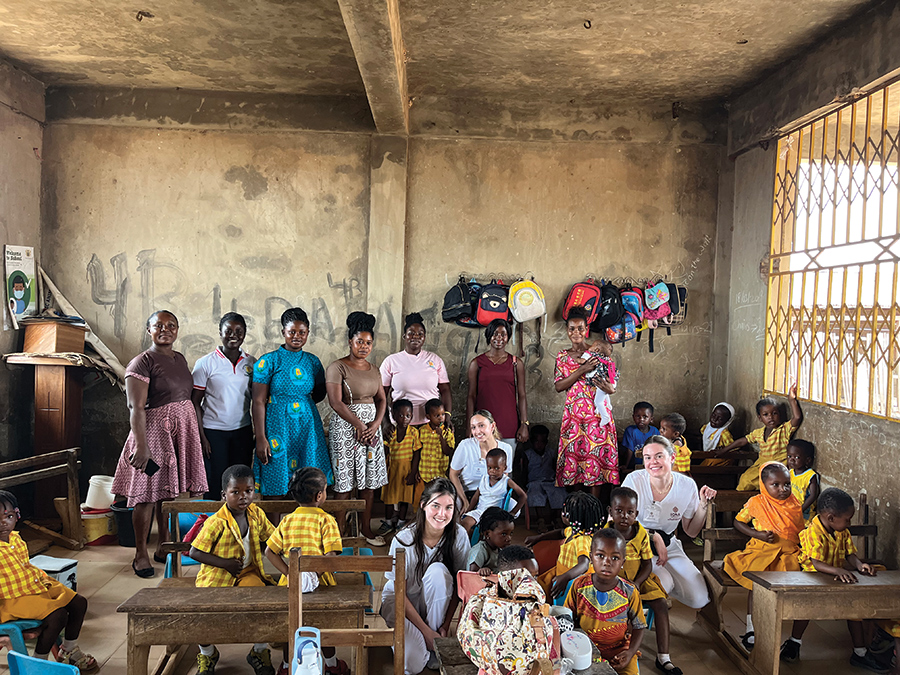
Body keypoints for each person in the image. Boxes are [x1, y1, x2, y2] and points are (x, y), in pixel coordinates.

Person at [112, 310, 207, 577]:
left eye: (171, 325)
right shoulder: (141, 362)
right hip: (153, 436)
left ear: (177, 330)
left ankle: (164, 547)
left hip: (179, 434)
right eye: (158, 325)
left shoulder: (179, 358)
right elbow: (136, 407)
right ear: (148, 330)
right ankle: (140, 553)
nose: (165, 329)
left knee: (168, 493)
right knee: (145, 494)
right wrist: (142, 447)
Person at [780, 488, 883, 671]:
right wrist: (838, 570)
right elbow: (817, 563)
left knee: (854, 609)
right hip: (812, 577)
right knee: (806, 610)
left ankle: (860, 653)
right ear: (830, 518)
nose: (849, 522)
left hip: (835, 576)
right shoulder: (814, 531)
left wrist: (860, 565)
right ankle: (794, 643)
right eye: (847, 519)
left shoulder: (841, 530)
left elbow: (850, 553)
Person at [188, 465, 276, 675]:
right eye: (235, 492)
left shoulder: (256, 514)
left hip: (248, 572)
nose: (243, 496)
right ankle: (207, 653)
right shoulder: (216, 522)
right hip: (218, 574)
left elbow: (273, 538)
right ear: (223, 495)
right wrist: (225, 563)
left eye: (249, 490)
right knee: (203, 611)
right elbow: (194, 552)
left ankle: (259, 651)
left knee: (261, 604)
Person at [382, 478, 470, 675]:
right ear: (423, 505)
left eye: (449, 507)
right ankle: (425, 639)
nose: (442, 514)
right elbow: (399, 592)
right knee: (412, 665)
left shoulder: (459, 535)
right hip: (401, 603)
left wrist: (444, 627)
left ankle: (433, 644)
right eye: (435, 506)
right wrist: (425, 631)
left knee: (438, 572)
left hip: (435, 609)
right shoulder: (403, 539)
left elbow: (459, 586)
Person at [0, 490, 96, 670]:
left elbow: (25, 567)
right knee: (57, 616)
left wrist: (44, 581)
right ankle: (39, 663)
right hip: (11, 600)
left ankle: (68, 651)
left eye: (8, 516)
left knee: (79, 602)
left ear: (17, 515)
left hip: (33, 587)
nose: (3, 523)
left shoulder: (16, 538)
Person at [264, 467, 343, 675]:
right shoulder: (326, 520)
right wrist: (312, 576)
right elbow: (332, 556)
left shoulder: (287, 520)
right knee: (323, 625)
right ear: (320, 495)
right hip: (321, 587)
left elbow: (269, 552)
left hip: (289, 586)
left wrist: (290, 573)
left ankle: (287, 666)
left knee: (291, 626)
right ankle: (333, 665)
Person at [622, 436, 716, 610]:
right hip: (637, 545)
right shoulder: (634, 481)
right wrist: (652, 535)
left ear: (672, 458)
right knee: (664, 582)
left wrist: (703, 505)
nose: (653, 462)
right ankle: (653, 597)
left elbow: (691, 531)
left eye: (659, 456)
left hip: (669, 545)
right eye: (648, 457)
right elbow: (619, 525)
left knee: (699, 599)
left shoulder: (687, 485)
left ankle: (664, 589)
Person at [722, 462, 804, 651]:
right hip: (761, 550)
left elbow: (798, 532)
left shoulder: (794, 503)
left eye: (787, 484)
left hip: (788, 553)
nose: (783, 489)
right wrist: (756, 534)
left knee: (792, 585)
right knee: (756, 585)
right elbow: (738, 522)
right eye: (775, 485)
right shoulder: (756, 502)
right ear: (763, 484)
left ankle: (783, 632)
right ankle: (751, 628)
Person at [252, 307, 330, 497]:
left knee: (309, 482)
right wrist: (261, 438)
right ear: (283, 333)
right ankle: (275, 527)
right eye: (292, 332)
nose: (297, 336)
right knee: (275, 478)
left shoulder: (313, 362)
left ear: (307, 333)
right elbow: (258, 400)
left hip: (306, 427)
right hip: (277, 426)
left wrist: (303, 404)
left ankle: (304, 523)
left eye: (302, 332)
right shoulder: (268, 361)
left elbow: (320, 392)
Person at [326, 311, 388, 546]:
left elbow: (382, 400)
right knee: (344, 482)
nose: (364, 346)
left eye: (368, 342)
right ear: (350, 342)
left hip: (371, 432)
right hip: (346, 430)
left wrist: (374, 426)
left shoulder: (374, 369)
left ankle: (365, 529)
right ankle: (339, 533)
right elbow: (336, 402)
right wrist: (360, 425)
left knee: (369, 482)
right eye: (359, 341)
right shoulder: (337, 367)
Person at [605, 487, 675, 675]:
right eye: (619, 511)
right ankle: (623, 652)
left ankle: (664, 658)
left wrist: (636, 583)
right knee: (621, 608)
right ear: (610, 511)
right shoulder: (605, 534)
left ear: (636, 513)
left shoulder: (641, 533)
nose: (624, 516)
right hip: (614, 582)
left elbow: (647, 565)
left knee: (660, 604)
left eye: (630, 512)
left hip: (639, 580)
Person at [554, 306, 618, 499]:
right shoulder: (563, 357)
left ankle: (594, 509)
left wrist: (610, 389)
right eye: (572, 328)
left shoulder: (599, 352)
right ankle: (577, 508)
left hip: (597, 417)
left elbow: (611, 381)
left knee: (596, 460)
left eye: (580, 328)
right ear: (567, 331)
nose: (576, 332)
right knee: (575, 461)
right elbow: (558, 386)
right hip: (574, 418)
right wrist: (582, 370)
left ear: (586, 329)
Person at [192, 312, 256, 499]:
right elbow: (195, 401)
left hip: (242, 431)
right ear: (220, 332)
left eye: (239, 331)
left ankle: (237, 524)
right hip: (213, 433)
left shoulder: (251, 363)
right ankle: (211, 523)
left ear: (244, 334)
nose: (233, 335)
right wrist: (202, 436)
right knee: (215, 482)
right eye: (228, 331)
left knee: (240, 480)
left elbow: (257, 399)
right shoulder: (205, 363)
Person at [565, 530, 645, 675]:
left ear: (623, 562)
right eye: (600, 555)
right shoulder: (579, 586)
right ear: (591, 558)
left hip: (619, 651)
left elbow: (639, 626)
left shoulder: (630, 591)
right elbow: (568, 620)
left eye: (614, 558)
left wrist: (630, 653)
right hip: (584, 649)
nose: (607, 562)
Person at [465, 318, 529, 464]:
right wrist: (470, 426)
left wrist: (524, 424)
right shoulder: (477, 363)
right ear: (489, 336)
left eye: (503, 334)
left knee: (505, 468)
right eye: (495, 334)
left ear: (508, 337)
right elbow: (471, 396)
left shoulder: (515, 363)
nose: (499, 338)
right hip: (482, 425)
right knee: (481, 467)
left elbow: (522, 395)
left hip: (508, 424)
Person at [716, 383, 803, 491]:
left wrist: (791, 400)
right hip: (761, 465)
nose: (771, 417)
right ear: (760, 418)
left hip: (776, 468)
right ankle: (741, 502)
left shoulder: (783, 430)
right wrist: (724, 450)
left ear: (780, 415)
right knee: (745, 479)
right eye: (766, 415)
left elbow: (797, 417)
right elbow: (743, 441)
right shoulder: (759, 433)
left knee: (765, 484)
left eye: (774, 413)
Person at [528, 492, 605, 601]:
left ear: (571, 517)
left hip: (573, 581)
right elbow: (560, 533)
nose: (562, 513)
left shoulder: (582, 539)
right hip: (561, 572)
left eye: (565, 512)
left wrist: (565, 578)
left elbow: (584, 564)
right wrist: (539, 538)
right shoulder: (573, 531)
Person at [381, 312, 452, 427]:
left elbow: (445, 390)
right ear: (404, 336)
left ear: (424, 337)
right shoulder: (391, 361)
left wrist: (447, 416)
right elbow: (381, 395)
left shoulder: (435, 360)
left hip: (431, 425)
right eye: (411, 333)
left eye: (420, 334)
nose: (416, 336)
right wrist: (385, 422)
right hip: (400, 425)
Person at [449, 411, 514, 508]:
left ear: (492, 426)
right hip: (466, 493)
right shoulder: (465, 445)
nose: (477, 431)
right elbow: (453, 474)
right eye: (473, 427)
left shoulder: (506, 448)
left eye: (481, 425)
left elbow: (504, 475)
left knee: (513, 508)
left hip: (490, 494)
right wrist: (464, 501)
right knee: (455, 507)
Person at [460, 448, 526, 535]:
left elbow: (523, 496)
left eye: (497, 468)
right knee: (464, 524)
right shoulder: (484, 479)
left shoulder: (506, 481)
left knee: (487, 532)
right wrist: (468, 510)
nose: (492, 471)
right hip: (480, 511)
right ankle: (467, 547)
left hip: (494, 516)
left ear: (504, 468)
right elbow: (476, 497)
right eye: (489, 468)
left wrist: (512, 513)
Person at [409, 398, 456, 513]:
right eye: (436, 415)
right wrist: (416, 471)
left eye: (442, 414)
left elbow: (447, 452)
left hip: (439, 474)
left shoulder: (447, 431)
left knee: (438, 499)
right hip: (424, 473)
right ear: (428, 416)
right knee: (421, 499)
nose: (441, 418)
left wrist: (441, 437)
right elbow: (418, 451)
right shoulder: (422, 431)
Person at [382, 399, 422, 532]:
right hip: (391, 469)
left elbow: (417, 454)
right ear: (393, 415)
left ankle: (400, 521)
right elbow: (385, 451)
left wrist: (413, 472)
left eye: (408, 416)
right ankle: (388, 522)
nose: (404, 419)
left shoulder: (413, 433)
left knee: (404, 498)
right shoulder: (390, 432)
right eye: (400, 415)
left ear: (412, 416)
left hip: (406, 470)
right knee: (389, 497)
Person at [519, 424, 565, 531]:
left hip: (550, 481)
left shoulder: (551, 453)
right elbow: (524, 472)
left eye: (542, 442)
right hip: (534, 482)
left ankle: (557, 518)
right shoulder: (527, 454)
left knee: (559, 491)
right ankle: (541, 520)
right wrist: (524, 486)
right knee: (535, 493)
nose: (539, 445)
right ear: (532, 442)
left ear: (546, 442)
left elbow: (556, 469)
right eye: (537, 442)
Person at [467, 507, 514, 576]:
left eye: (511, 533)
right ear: (487, 534)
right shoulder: (480, 550)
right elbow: (472, 573)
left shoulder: (499, 548)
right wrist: (481, 571)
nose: (509, 538)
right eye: (504, 534)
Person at [786, 439, 820, 524]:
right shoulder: (790, 473)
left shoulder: (810, 476)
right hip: (791, 511)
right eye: (789, 456)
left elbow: (813, 495)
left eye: (796, 457)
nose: (792, 460)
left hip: (804, 514)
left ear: (807, 460)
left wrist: (800, 510)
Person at [620, 401, 658, 472]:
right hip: (633, 466)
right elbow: (629, 450)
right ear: (633, 417)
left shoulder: (655, 431)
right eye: (638, 416)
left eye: (645, 417)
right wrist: (626, 465)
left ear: (651, 419)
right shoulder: (630, 430)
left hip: (650, 466)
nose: (641, 419)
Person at [699, 402, 736, 466]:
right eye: (713, 415)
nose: (715, 419)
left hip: (719, 459)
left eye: (720, 419)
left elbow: (733, 448)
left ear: (727, 422)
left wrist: (723, 450)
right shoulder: (707, 427)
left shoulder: (724, 434)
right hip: (708, 456)